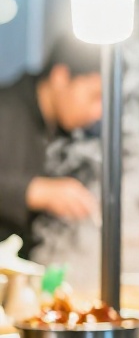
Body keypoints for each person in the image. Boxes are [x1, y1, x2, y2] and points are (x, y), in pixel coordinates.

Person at [0, 38, 103, 258]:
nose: (98, 112)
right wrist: (37, 191)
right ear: (60, 77)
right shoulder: (5, 109)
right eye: (95, 96)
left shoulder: (63, 131)